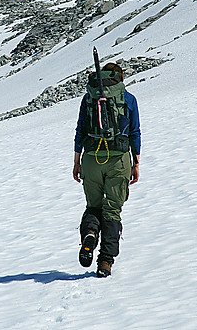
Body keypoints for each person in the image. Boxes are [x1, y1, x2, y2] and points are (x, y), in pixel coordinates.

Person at [72, 62, 141, 277]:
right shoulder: (128, 99)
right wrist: (136, 162)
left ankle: (91, 233)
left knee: (93, 206)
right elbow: (135, 132)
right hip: (118, 160)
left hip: (91, 159)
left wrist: (77, 161)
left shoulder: (89, 98)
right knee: (112, 210)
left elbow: (80, 130)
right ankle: (105, 262)